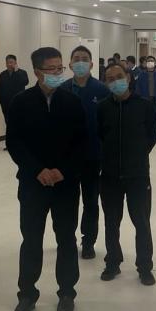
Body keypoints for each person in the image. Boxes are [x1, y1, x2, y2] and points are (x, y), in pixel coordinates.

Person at [7, 47, 87, 311]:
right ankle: (27, 294)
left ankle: (67, 292)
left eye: (59, 68)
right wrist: (37, 170)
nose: (57, 73)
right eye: (51, 69)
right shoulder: (21, 102)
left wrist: (64, 170)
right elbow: (15, 142)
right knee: (31, 239)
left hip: (65, 184)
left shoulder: (72, 102)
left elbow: (81, 142)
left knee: (66, 238)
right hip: (33, 184)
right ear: (37, 72)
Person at [98, 63, 156, 284]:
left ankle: (145, 266)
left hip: (138, 176)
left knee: (141, 222)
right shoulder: (102, 107)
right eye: (110, 79)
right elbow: (99, 135)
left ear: (129, 77)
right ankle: (112, 262)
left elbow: (152, 135)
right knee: (111, 222)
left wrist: (137, 155)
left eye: (119, 76)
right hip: (110, 175)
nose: (115, 81)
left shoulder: (144, 106)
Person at [60, 45, 110, 260]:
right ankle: (66, 239)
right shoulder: (62, 90)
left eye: (84, 58)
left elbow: (107, 125)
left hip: (93, 156)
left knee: (91, 202)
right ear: (70, 64)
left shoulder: (102, 90)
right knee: (68, 202)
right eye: (76, 58)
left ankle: (88, 241)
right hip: (67, 159)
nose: (80, 62)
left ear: (91, 64)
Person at [0, 54, 29, 149]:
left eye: (11, 62)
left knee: (19, 123)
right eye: (8, 62)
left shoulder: (22, 72)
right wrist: (1, 100)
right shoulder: (3, 74)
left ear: (15, 63)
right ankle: (10, 144)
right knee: (9, 124)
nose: (9, 64)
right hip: (6, 103)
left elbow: (25, 82)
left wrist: (17, 71)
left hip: (19, 103)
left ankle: (21, 143)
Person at [133, 55, 156, 144]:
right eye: (148, 61)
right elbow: (138, 87)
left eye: (152, 61)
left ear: (154, 63)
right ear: (146, 63)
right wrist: (138, 98)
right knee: (145, 118)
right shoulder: (142, 74)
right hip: (145, 99)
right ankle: (146, 135)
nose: (150, 62)